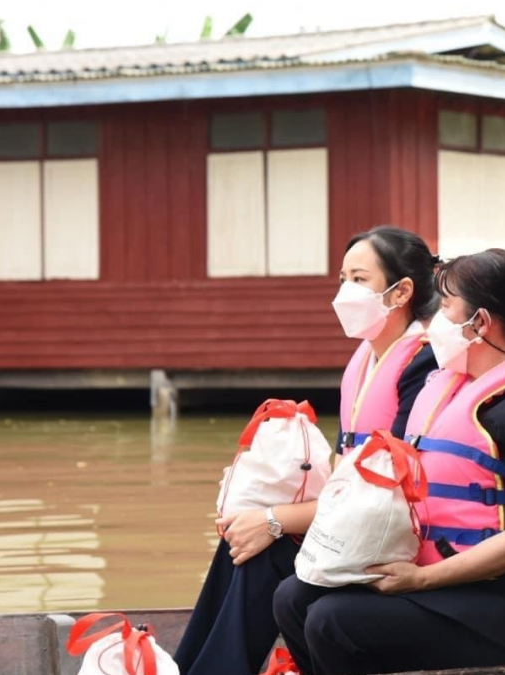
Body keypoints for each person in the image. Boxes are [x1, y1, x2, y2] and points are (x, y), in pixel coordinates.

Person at [273, 249, 505, 675]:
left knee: (334, 621)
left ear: (480, 322)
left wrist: (421, 580)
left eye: (445, 307)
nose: (434, 323)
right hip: (435, 580)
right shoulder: (448, 385)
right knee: (294, 597)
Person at [174, 226, 440, 675]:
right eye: (342, 278)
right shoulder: (365, 360)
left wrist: (276, 521)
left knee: (264, 547)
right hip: (354, 521)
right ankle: (184, 667)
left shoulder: (423, 363)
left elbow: (393, 494)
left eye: (359, 279)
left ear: (401, 292)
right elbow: (343, 476)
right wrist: (262, 517)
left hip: (393, 538)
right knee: (241, 538)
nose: (344, 292)